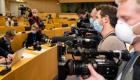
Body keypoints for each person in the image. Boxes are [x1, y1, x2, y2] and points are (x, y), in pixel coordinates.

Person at [82, 0, 140, 80]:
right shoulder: (134, 55)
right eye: (119, 19)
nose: (120, 24)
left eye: (126, 18)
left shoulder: (112, 40)